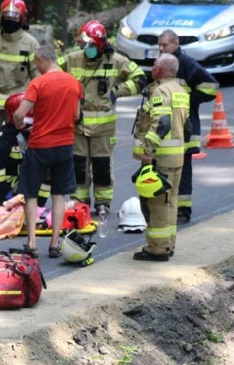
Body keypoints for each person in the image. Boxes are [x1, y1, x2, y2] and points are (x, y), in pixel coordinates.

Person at [58, 20, 146, 215]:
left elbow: (140, 78)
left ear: (99, 45)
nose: (85, 49)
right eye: (83, 45)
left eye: (89, 45)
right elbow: (53, 74)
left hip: (103, 127)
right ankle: (79, 201)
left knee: (101, 165)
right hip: (78, 125)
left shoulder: (116, 60)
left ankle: (103, 202)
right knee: (78, 164)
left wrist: (116, 92)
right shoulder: (72, 59)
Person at [13, 46, 83, 258]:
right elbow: (77, 114)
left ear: (42, 60)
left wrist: (20, 125)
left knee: (31, 192)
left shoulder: (38, 83)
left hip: (40, 144)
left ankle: (32, 242)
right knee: (59, 194)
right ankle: (54, 243)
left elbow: (19, 113)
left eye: (37, 63)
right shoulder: (74, 82)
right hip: (64, 145)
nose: (36, 66)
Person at [158, 29, 219, 224]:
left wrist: (190, 100)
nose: (161, 48)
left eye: (164, 45)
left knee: (183, 170)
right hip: (167, 129)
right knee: (164, 168)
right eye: (159, 45)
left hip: (186, 128)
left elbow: (211, 86)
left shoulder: (186, 64)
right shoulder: (162, 65)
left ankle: (183, 210)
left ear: (176, 44)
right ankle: (166, 207)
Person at [132, 53, 188, 262]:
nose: (152, 67)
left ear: (162, 69)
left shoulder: (161, 90)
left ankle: (157, 248)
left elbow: (162, 122)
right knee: (171, 200)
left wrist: (148, 151)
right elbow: (186, 126)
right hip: (176, 157)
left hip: (161, 157)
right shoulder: (181, 91)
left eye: (155, 64)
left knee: (157, 203)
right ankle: (168, 243)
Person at [0, 0, 39, 151]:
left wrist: (32, 103)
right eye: (7, 17)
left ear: (22, 19)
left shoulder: (30, 43)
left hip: (19, 104)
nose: (10, 21)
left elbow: (37, 77)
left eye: (14, 18)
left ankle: (18, 173)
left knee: (18, 140)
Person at [0, 92, 51, 208]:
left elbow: (48, 172)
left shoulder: (38, 134)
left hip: (33, 197)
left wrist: (40, 203)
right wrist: (6, 194)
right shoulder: (6, 137)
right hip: (8, 196)